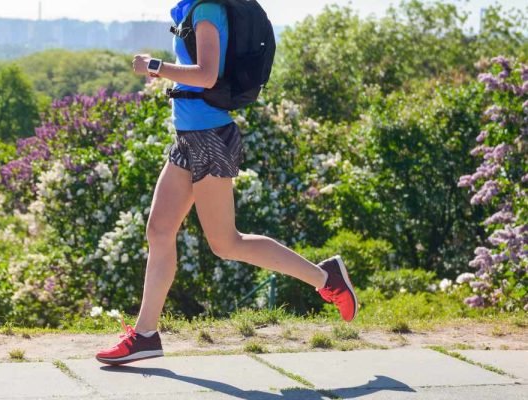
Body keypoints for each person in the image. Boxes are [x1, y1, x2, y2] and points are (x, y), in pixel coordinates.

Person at [94, 0, 357, 366]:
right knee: (159, 231)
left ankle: (326, 278)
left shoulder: (207, 11)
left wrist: (155, 66)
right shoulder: (192, 10)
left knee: (226, 243)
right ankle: (146, 335)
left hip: (211, 138)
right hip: (188, 138)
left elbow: (207, 76)